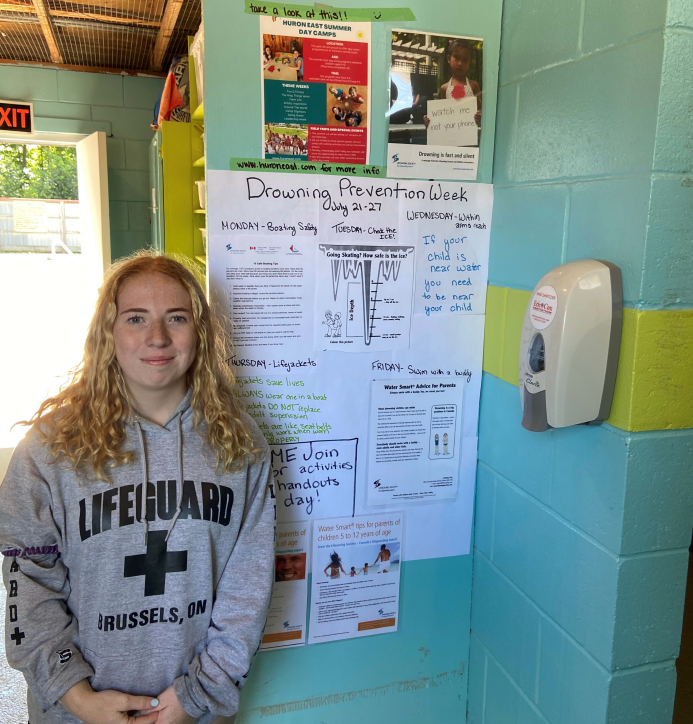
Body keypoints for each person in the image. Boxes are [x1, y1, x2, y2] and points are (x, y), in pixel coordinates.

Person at [0, 252, 275, 724]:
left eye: (177, 318)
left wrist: (198, 696)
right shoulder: (48, 449)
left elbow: (246, 590)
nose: (157, 337)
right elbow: (27, 580)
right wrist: (75, 694)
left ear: (200, 333)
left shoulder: (242, 444)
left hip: (195, 712)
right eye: (136, 318)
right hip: (77, 711)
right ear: (109, 332)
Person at [424, 39, 481, 129]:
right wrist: (430, 121)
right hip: (451, 138)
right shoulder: (444, 88)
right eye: (457, 57)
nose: (460, 63)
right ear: (448, 59)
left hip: (469, 137)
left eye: (465, 60)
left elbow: (481, 110)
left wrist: (479, 116)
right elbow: (442, 115)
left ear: (469, 62)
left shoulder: (473, 86)